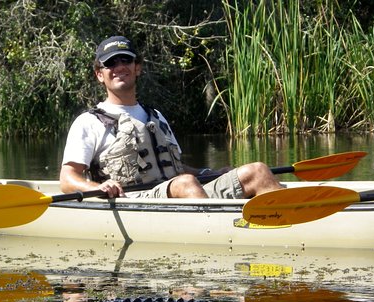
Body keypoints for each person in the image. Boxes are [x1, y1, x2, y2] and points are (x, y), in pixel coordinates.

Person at [60, 35, 283, 199]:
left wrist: (211, 172)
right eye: (110, 63)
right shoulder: (88, 122)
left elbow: (176, 168)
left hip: (180, 191)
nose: (119, 67)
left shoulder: (155, 116)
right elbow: (67, 179)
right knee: (184, 184)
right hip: (133, 201)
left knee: (258, 171)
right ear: (100, 74)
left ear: (137, 68)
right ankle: (219, 232)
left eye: (125, 60)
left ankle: (294, 220)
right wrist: (98, 188)